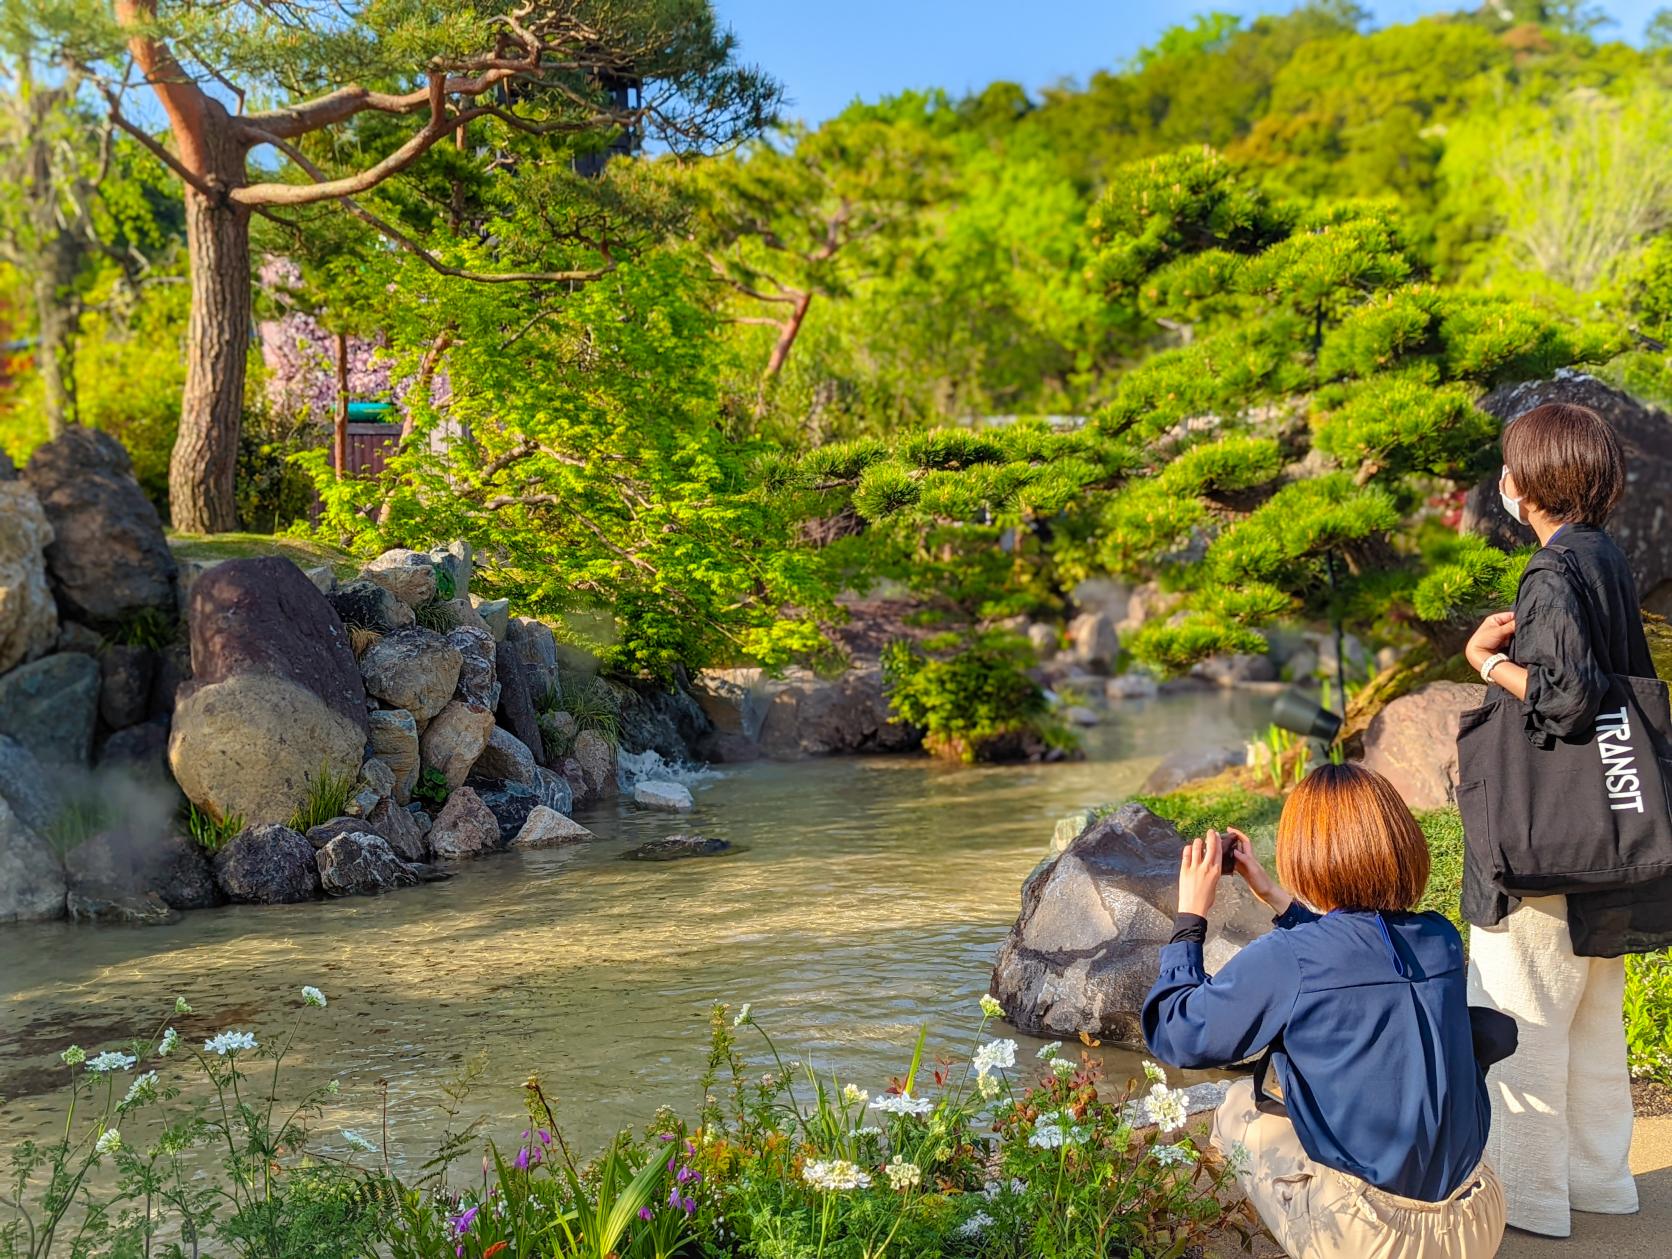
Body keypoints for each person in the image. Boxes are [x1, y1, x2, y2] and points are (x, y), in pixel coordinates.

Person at [1142, 764, 1509, 1259]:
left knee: (1235, 1107)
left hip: (1373, 1241)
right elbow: (1351, 949)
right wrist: (1273, 896)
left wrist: (1191, 917)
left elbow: (1177, 1033)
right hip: (1475, 1221)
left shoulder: (1290, 959)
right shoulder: (1437, 937)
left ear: (1307, 854)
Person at [1462, 401, 1669, 1237]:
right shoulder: (1606, 558)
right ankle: (1599, 1182)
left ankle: (1531, 1200)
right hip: (1611, 832)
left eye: (1509, 467)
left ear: (1532, 481)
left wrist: (1486, 663)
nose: (1502, 482)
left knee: (1522, 1020)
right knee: (1592, 1020)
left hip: (1550, 843)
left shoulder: (1549, 574)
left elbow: (1568, 697)